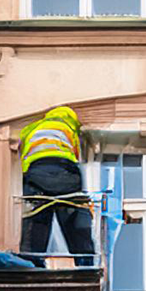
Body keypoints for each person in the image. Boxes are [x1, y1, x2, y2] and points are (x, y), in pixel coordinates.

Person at [18, 106, 95, 267]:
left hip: (36, 174)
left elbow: (22, 151)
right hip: (65, 173)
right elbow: (75, 154)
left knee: (37, 220)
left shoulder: (32, 128)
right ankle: (85, 263)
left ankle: (32, 262)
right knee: (73, 217)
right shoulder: (68, 128)